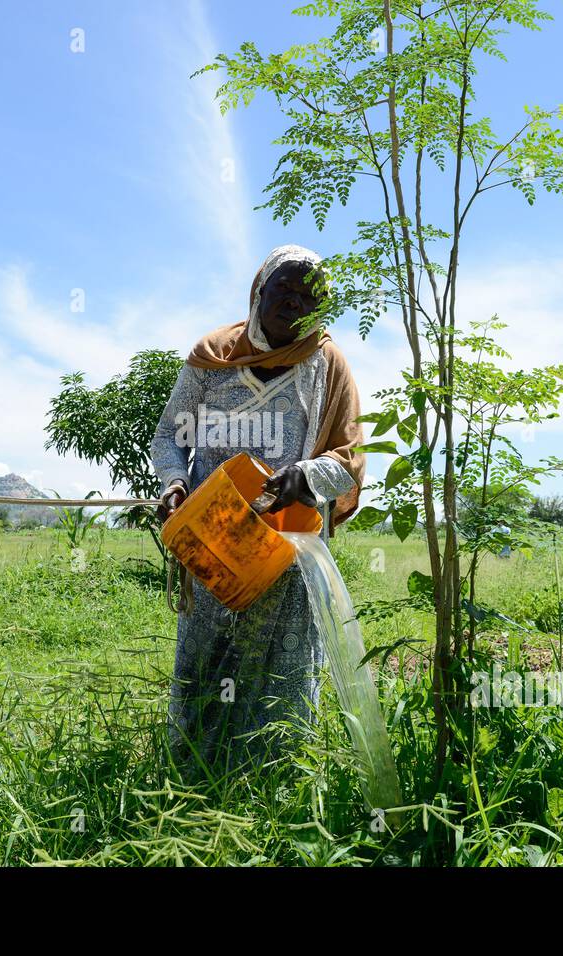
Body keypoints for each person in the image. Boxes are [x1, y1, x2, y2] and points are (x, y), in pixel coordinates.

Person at [150, 244, 365, 773]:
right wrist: (176, 484)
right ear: (257, 293)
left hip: (287, 546)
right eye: (283, 290)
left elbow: (351, 459)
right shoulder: (212, 357)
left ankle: (273, 774)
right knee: (206, 659)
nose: (294, 303)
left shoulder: (328, 364)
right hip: (213, 535)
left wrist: (307, 475)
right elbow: (170, 436)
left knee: (280, 669)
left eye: (309, 296)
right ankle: (195, 768)